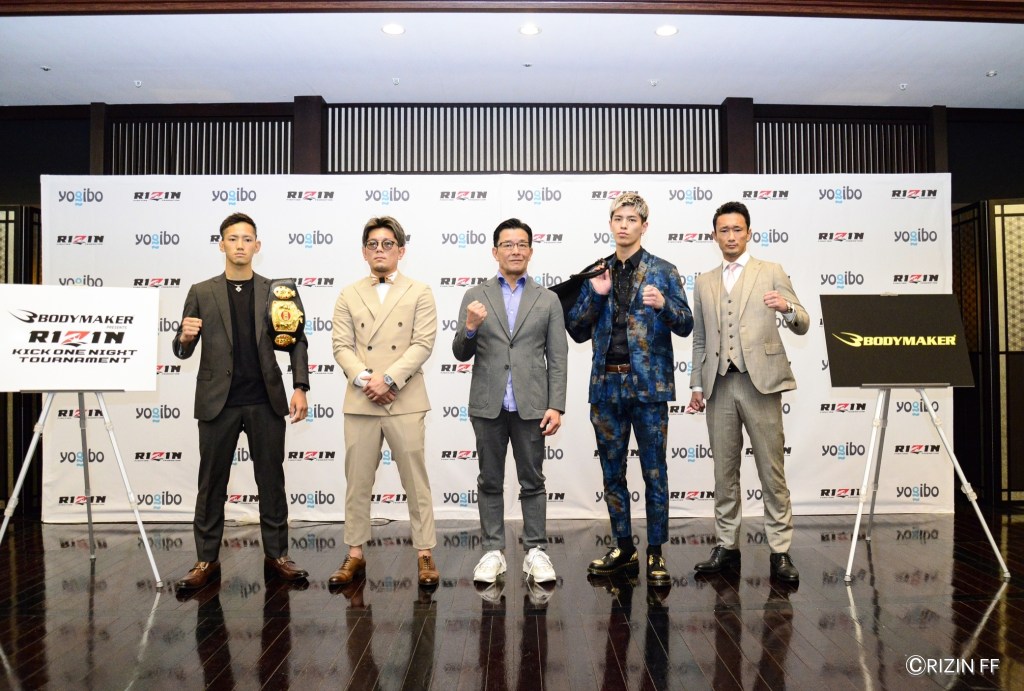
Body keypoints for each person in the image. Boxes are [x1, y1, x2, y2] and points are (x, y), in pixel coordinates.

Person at [172, 212, 310, 591]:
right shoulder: (201, 292)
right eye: (232, 238)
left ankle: (277, 555)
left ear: (257, 246)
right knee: (211, 484)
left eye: (247, 239)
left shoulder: (277, 291)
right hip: (218, 403)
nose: (240, 245)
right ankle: (205, 560)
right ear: (221, 244)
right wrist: (184, 337)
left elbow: (297, 340)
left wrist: (300, 386)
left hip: (265, 401)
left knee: (271, 481)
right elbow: (182, 350)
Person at [567, 192, 693, 585]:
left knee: (655, 472)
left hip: (649, 389)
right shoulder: (596, 272)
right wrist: (596, 296)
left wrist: (664, 306)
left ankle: (656, 552)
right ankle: (624, 547)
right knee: (612, 472)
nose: (624, 225)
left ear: (644, 226)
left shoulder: (664, 271)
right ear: (611, 224)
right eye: (618, 219)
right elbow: (576, 329)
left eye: (631, 220)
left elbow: (686, 324)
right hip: (606, 387)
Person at [686, 200, 808, 583]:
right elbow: (700, 339)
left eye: (737, 229)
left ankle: (780, 551)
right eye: (724, 230)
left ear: (749, 233)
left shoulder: (770, 271)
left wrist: (786, 307)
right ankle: (727, 546)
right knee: (724, 472)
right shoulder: (704, 281)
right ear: (714, 236)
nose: (731, 236)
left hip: (761, 384)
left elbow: (803, 322)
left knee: (772, 470)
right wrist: (696, 383)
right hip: (719, 385)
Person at [451, 218, 568, 588]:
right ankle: (492, 551)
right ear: (495, 251)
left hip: (532, 405)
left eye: (521, 244)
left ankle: (535, 550)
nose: (515, 250)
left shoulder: (548, 299)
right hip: (489, 404)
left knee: (533, 480)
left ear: (530, 251)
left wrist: (556, 405)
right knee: (489, 479)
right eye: (507, 244)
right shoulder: (475, 295)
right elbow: (460, 352)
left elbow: (558, 357)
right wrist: (470, 327)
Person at [329, 216, 440, 588]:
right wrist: (367, 380)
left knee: (415, 481)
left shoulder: (420, 291)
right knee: (357, 482)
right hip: (362, 400)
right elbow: (341, 346)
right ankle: (355, 553)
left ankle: (424, 553)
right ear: (364, 252)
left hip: (404, 397)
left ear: (401, 250)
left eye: (388, 244)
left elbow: (423, 343)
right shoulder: (348, 294)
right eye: (373, 244)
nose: (380, 250)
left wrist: (389, 379)